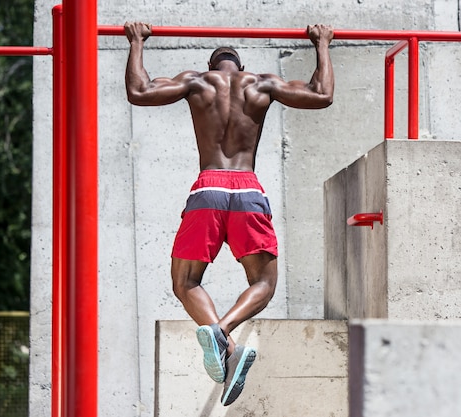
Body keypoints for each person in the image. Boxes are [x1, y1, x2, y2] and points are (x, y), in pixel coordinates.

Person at [124, 21, 334, 406]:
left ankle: (219, 336)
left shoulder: (196, 82)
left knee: (185, 282)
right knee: (264, 284)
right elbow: (322, 95)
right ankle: (225, 337)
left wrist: (137, 42)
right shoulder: (261, 84)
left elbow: (139, 91)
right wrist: (321, 43)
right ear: (240, 67)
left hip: (207, 190)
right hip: (247, 190)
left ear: (212, 65)